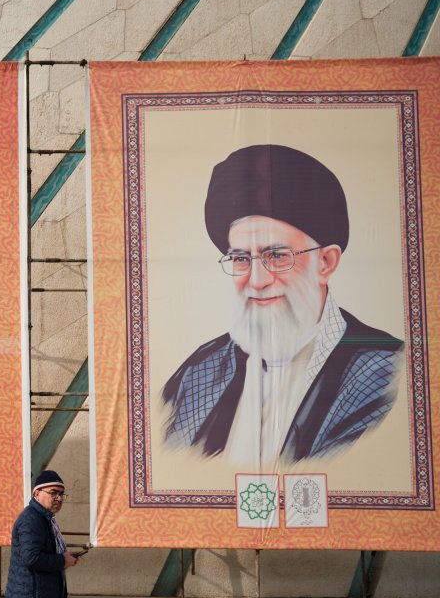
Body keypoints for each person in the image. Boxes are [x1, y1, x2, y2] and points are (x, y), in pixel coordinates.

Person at [161, 144, 404, 466]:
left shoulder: (388, 372)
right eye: (240, 259)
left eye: (276, 256)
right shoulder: (199, 370)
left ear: (326, 262)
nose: (257, 280)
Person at [6, 470, 78, 598]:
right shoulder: (32, 519)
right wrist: (62, 561)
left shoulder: (44, 519)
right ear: (37, 493)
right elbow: (32, 558)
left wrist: (65, 558)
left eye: (62, 494)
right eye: (53, 492)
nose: (59, 498)